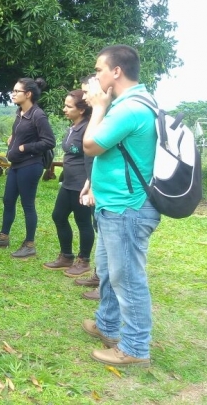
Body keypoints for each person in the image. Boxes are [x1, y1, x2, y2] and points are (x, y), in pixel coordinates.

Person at [81, 45, 158, 367]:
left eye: (99, 69)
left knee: (127, 278)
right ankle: (108, 325)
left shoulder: (129, 108)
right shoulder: (135, 101)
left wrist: (99, 108)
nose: (96, 76)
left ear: (116, 72)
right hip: (114, 204)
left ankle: (136, 347)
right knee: (110, 272)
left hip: (127, 208)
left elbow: (91, 145)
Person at [0, 77, 55, 257]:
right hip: (16, 164)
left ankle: (29, 245)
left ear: (28, 94)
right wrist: (13, 139)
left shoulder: (38, 115)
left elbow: (49, 141)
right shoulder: (20, 112)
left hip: (30, 165)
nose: (13, 94)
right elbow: (22, 132)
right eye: (13, 91)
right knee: (8, 200)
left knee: (27, 204)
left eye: (17, 91)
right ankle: (3, 237)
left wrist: (25, 147)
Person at [43, 89, 94, 276]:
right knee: (58, 216)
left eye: (68, 106)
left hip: (82, 183)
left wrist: (89, 184)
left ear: (81, 110)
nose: (64, 109)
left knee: (83, 221)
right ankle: (66, 256)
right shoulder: (73, 127)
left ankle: (84, 260)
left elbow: (92, 157)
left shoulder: (88, 128)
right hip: (68, 182)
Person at [75, 74, 101, 300]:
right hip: (92, 180)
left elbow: (96, 152)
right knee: (99, 228)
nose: (84, 96)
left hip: (105, 188)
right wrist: (89, 180)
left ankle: (104, 282)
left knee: (103, 231)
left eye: (86, 91)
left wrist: (94, 185)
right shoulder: (96, 117)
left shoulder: (104, 117)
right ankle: (100, 274)